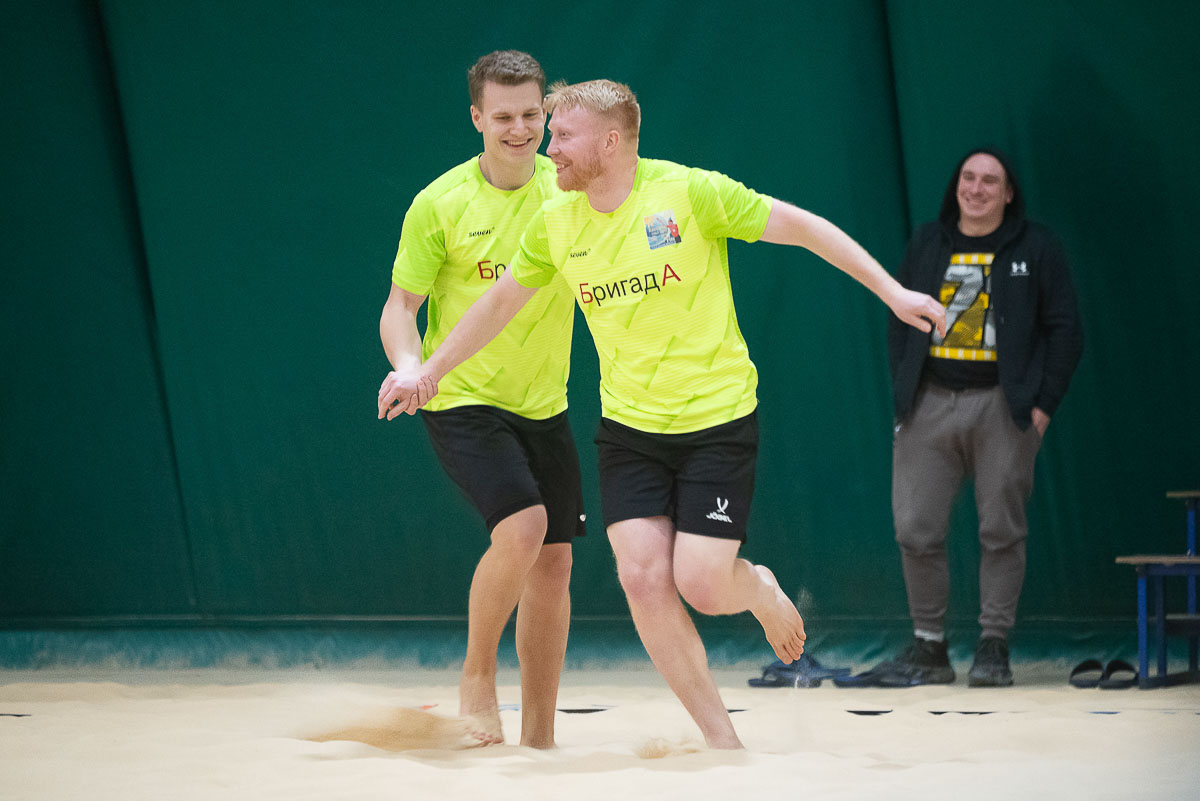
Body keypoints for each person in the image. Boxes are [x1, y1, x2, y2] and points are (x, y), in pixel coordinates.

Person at [380, 79, 946, 749]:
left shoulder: (689, 193)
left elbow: (803, 228)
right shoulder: (556, 220)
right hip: (629, 431)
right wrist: (427, 373)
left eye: (562, 135)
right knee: (643, 578)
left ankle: (757, 588)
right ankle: (723, 743)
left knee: (702, 584)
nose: (547, 147)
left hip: (716, 421)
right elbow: (497, 305)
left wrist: (893, 292)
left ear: (609, 142)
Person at [376, 50, 584, 748]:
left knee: (554, 562)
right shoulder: (440, 203)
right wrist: (412, 368)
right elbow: (400, 307)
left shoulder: (569, 192)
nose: (519, 129)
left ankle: (539, 738)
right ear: (476, 118)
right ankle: (476, 676)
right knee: (523, 528)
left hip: (544, 401)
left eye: (531, 115)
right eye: (503, 117)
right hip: (460, 394)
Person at [870, 147, 1083, 687]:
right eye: (968, 177)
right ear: (956, 185)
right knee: (914, 528)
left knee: (1000, 531)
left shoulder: (1037, 247)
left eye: (991, 181)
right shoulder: (928, 242)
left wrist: (1041, 408)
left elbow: (1066, 331)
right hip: (929, 403)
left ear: (1009, 194)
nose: (977, 188)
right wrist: (905, 390)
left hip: (1002, 407)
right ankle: (929, 648)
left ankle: (994, 647)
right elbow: (899, 319)